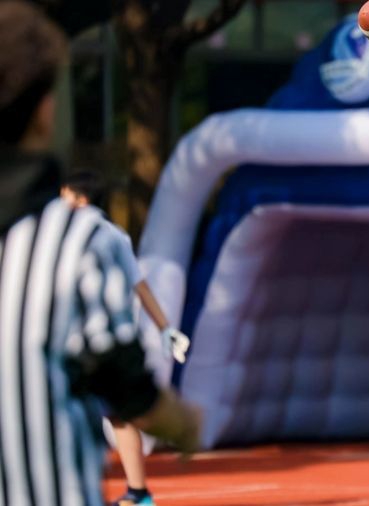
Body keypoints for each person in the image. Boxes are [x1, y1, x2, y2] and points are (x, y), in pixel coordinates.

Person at [0, 2, 200, 505]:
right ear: (44, 111)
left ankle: (138, 490)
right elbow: (124, 381)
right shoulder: (76, 238)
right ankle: (138, 490)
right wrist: (184, 424)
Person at [60, 170, 192, 506]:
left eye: (65, 197)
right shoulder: (67, 236)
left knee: (115, 416)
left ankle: (137, 492)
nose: (60, 204)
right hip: (76, 339)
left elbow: (138, 284)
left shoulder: (106, 237)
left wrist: (165, 328)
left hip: (98, 342)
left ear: (82, 200)